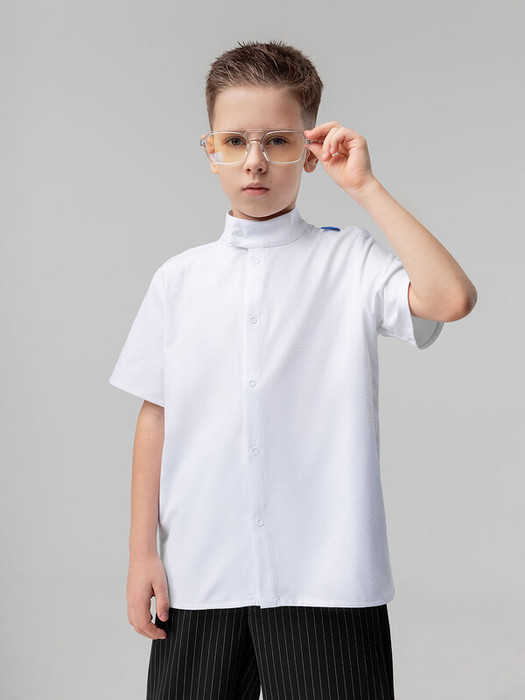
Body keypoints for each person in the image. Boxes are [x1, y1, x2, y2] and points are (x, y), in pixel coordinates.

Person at [109, 40, 477, 700]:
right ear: (210, 150)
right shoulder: (178, 280)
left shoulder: (349, 262)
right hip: (202, 572)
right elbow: (155, 415)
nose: (255, 161)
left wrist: (363, 187)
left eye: (277, 141)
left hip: (327, 579)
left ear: (308, 150)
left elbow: (450, 299)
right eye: (235, 141)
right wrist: (143, 554)